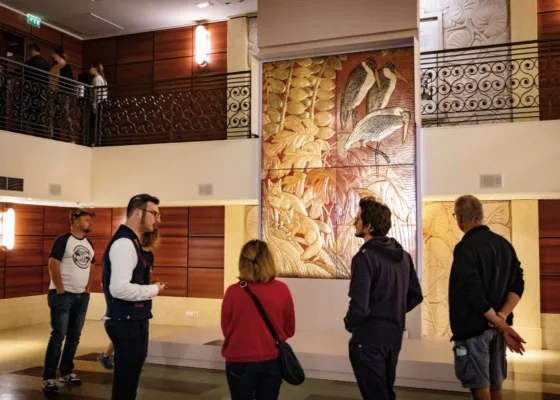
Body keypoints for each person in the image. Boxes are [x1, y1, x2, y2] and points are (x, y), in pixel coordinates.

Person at [344, 197, 423, 400]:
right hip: (393, 337)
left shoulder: (364, 257)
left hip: (369, 339)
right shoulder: (404, 256)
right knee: (385, 393)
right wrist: (392, 310)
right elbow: (415, 295)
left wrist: (350, 323)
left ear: (369, 226)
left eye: (359, 218)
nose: (355, 222)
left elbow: (359, 306)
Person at [449, 195, 526, 400]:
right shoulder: (504, 245)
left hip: (474, 329)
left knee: (480, 386)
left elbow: (473, 292)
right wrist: (502, 318)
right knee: (495, 386)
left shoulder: (464, 248)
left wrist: (500, 323)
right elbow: (518, 284)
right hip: (497, 331)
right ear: (480, 216)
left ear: (460, 218)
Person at [103, 194, 166, 399]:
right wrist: (153, 289)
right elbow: (119, 289)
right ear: (138, 213)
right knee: (125, 384)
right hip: (126, 323)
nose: (158, 219)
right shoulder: (124, 244)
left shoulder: (132, 242)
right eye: (154, 213)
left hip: (133, 320)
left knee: (128, 382)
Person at [221, 240, 295, 400]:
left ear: (243, 261)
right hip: (271, 359)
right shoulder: (282, 289)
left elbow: (226, 329)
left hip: (238, 360)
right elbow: (289, 329)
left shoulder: (232, 292)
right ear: (269, 260)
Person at [42, 208, 96, 393]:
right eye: (86, 219)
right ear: (75, 221)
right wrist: (60, 288)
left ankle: (66, 372)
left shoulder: (88, 243)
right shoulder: (63, 240)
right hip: (63, 297)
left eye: (90, 219)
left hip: (82, 297)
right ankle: (49, 377)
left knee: (75, 336)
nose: (90, 222)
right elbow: (53, 264)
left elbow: (93, 266)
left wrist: (88, 288)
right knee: (59, 335)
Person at [98, 228, 160, 371]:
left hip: (140, 300)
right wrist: (152, 288)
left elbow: (144, 276)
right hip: (128, 302)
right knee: (127, 336)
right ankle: (112, 357)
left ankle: (119, 359)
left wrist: (151, 287)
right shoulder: (128, 248)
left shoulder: (148, 255)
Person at [24, 43, 50, 135]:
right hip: (42, 92)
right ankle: (39, 133)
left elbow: (26, 73)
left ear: (32, 50)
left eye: (29, 51)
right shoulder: (47, 63)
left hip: (33, 91)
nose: (28, 53)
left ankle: (38, 133)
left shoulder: (32, 62)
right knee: (38, 114)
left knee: (29, 113)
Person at [50, 47, 74, 138]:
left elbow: (70, 83)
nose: (53, 56)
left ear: (58, 54)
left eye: (54, 54)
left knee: (64, 114)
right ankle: (51, 136)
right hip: (52, 93)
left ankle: (70, 137)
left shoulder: (67, 67)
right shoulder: (54, 67)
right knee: (51, 115)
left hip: (62, 94)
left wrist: (63, 92)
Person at [89, 61, 108, 136]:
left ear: (95, 68)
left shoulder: (96, 79)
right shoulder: (103, 79)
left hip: (98, 105)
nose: (89, 69)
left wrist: (94, 107)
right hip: (103, 104)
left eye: (91, 67)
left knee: (94, 125)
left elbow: (97, 95)